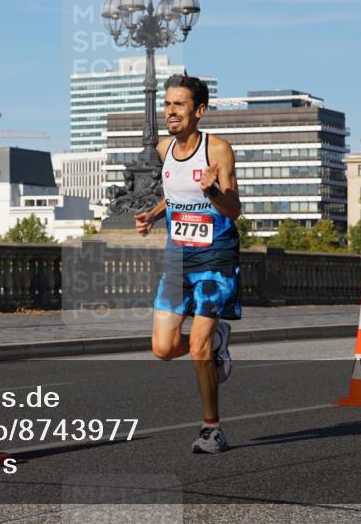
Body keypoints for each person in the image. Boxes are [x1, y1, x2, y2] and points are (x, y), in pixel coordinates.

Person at [135, 73, 241, 454]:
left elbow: (235, 208)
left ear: (199, 110)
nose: (171, 112)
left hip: (215, 255)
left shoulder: (218, 150)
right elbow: (175, 194)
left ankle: (212, 428)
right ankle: (218, 340)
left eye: (179, 105)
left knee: (196, 348)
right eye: (167, 105)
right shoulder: (164, 150)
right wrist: (153, 213)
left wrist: (212, 191)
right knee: (163, 348)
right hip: (178, 254)